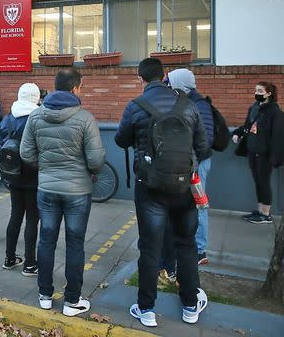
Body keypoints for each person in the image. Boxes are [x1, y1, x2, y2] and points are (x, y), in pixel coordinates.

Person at [115, 58, 210, 327]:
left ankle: (146, 309)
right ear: (165, 76)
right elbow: (203, 148)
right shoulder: (188, 106)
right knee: (186, 245)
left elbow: (121, 139)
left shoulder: (135, 106)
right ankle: (190, 306)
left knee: (150, 247)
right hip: (183, 188)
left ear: (140, 78)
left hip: (150, 189)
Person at [21, 68, 105, 317]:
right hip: (77, 192)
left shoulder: (36, 116)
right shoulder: (85, 118)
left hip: (46, 189)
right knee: (75, 244)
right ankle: (72, 300)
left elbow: (26, 154)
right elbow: (97, 160)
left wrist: (46, 166)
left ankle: (45, 294)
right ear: (75, 88)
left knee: (46, 240)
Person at [165, 68, 215, 264]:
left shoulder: (198, 104)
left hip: (198, 164)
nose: (167, 85)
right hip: (189, 161)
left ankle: (200, 250)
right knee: (188, 204)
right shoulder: (184, 101)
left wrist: (189, 159)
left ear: (179, 83)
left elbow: (206, 138)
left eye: (170, 82)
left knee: (198, 204)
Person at [0, 82, 41, 275]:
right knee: (32, 219)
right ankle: (30, 264)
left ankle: (9, 258)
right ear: (36, 97)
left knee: (15, 215)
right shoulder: (38, 119)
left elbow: (0, 145)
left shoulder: (8, 118)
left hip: (12, 175)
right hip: (33, 176)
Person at [232, 81, 284, 225]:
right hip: (252, 150)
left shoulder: (275, 112)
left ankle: (266, 214)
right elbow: (248, 126)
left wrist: (275, 157)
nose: (257, 94)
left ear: (269, 94)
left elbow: (278, 136)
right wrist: (237, 132)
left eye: (260, 91)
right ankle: (260, 210)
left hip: (264, 154)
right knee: (258, 181)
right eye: (256, 91)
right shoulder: (255, 108)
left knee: (264, 182)